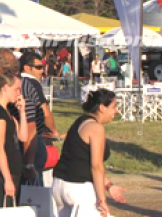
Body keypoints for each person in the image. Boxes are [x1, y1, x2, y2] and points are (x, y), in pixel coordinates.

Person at [53, 89, 126, 217]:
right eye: (114, 106)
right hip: (78, 190)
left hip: (59, 185)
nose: (116, 111)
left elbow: (82, 160)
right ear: (102, 107)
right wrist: (102, 200)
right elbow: (96, 166)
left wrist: (109, 186)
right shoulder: (96, 128)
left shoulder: (80, 121)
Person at [0, 71, 28, 208]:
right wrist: (7, 179)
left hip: (14, 169)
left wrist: (22, 112)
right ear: (5, 87)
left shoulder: (7, 112)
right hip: (6, 172)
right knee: (3, 209)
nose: (19, 93)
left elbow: (23, 136)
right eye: (16, 89)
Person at [21, 52, 62, 187]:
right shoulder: (32, 82)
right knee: (36, 181)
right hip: (34, 136)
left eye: (43, 66)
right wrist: (54, 131)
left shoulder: (15, 83)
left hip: (19, 137)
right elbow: (45, 112)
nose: (42, 71)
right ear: (27, 68)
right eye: (38, 67)